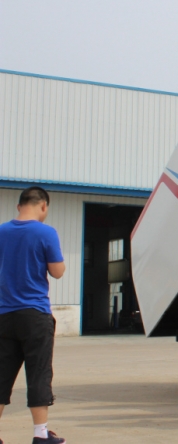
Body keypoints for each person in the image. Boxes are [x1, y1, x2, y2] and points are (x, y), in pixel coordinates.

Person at [0, 186, 67, 444]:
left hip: (4, 315)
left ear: (19, 206)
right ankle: (40, 435)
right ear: (43, 206)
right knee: (38, 374)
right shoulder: (46, 232)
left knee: (2, 375)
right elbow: (57, 272)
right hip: (34, 314)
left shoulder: (2, 231)